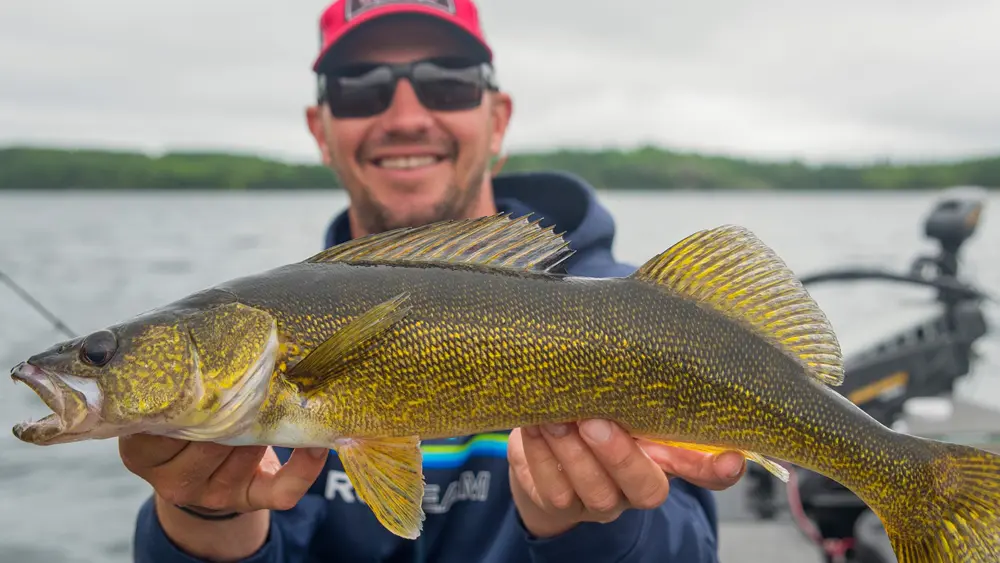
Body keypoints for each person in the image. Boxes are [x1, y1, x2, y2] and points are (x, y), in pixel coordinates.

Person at [124, 1, 747, 561]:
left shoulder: (644, 309)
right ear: (321, 130)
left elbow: (690, 548)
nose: (405, 115)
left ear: (498, 119)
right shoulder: (273, 333)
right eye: (359, 88)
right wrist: (205, 516)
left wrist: (586, 530)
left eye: (446, 81)